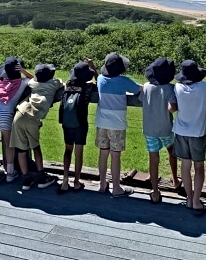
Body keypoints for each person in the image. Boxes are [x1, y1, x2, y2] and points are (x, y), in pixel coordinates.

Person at [169, 60, 206, 213]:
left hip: (181, 131)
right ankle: (196, 201)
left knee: (185, 167)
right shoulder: (203, 87)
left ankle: (188, 198)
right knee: (199, 167)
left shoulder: (177, 87)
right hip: (198, 132)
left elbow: (172, 107)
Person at [95, 52, 141, 197]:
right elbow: (138, 89)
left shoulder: (101, 79)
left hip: (102, 123)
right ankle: (116, 188)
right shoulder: (124, 81)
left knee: (103, 154)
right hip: (117, 125)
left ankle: (102, 184)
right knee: (115, 156)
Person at [10, 64, 63, 191]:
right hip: (32, 119)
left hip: (19, 115)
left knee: (21, 150)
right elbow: (63, 84)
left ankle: (26, 179)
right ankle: (42, 177)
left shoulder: (33, 83)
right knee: (36, 148)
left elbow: (32, 78)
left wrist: (23, 71)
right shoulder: (54, 83)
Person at [0, 57, 32, 184]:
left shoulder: (0, 80)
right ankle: (10, 173)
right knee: (9, 144)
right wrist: (24, 71)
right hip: (5, 112)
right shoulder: (22, 82)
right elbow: (34, 79)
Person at [139, 57, 178, 204]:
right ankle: (175, 180)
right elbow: (171, 108)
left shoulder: (147, 87)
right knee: (172, 153)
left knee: (153, 159)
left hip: (149, 129)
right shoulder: (170, 88)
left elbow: (142, 98)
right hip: (166, 128)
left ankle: (155, 191)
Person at [57, 60, 97, 194]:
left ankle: (65, 180)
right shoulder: (87, 87)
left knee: (68, 150)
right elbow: (99, 83)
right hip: (80, 123)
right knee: (78, 153)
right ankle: (76, 181)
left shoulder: (68, 85)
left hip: (67, 122)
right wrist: (94, 69)